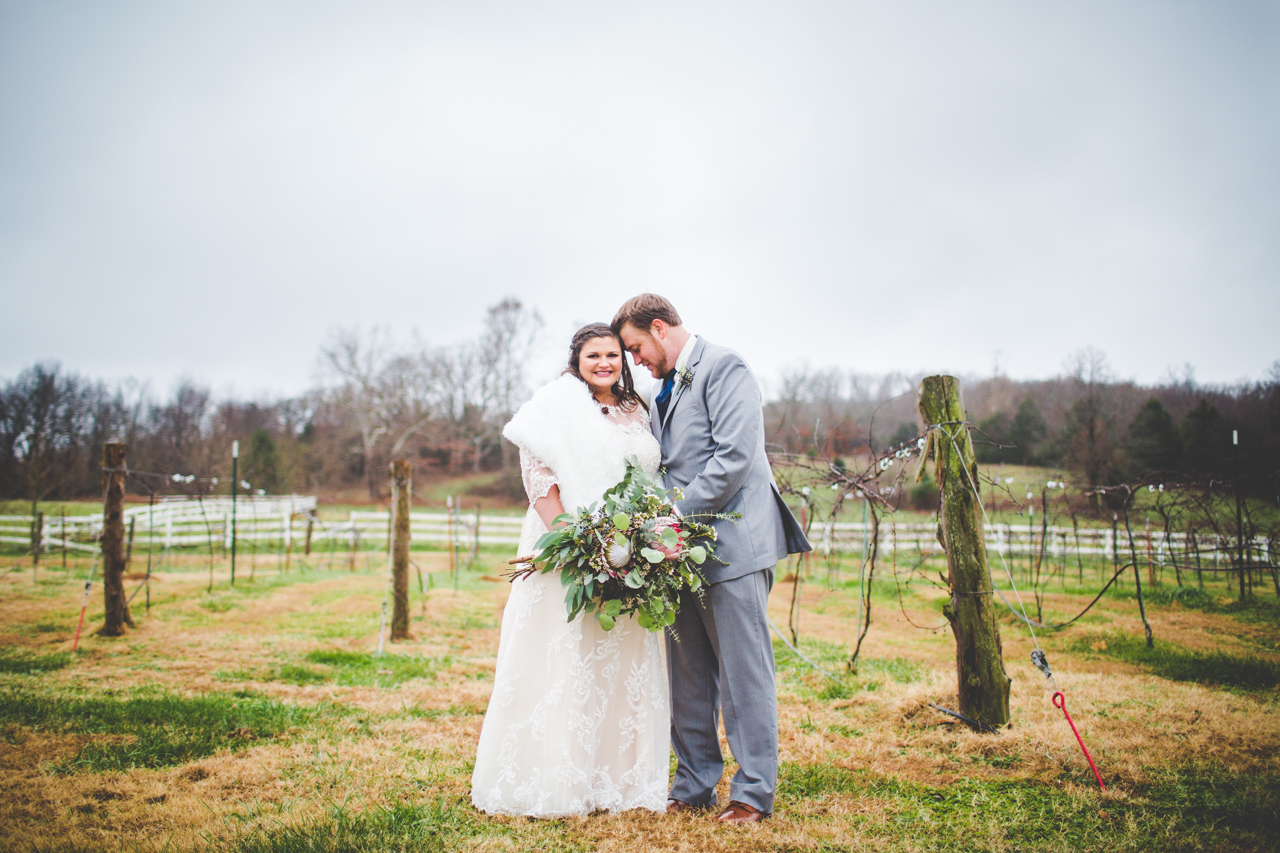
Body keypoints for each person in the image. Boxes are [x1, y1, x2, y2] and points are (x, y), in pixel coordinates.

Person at [614, 294, 811, 824]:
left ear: (659, 328)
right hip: (676, 555)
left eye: (636, 348)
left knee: (745, 676)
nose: (635, 361)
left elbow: (734, 457)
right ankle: (694, 784)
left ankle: (752, 793)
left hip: (733, 547)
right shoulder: (661, 389)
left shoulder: (725, 367)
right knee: (689, 676)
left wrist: (672, 518)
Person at [470, 323, 669, 817]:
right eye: (593, 355)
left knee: (618, 653)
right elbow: (538, 476)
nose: (604, 363)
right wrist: (576, 539)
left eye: (613, 355)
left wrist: (640, 540)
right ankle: (554, 779)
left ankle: (617, 780)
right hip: (568, 546)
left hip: (629, 548)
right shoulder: (556, 405)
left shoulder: (637, 407)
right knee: (568, 655)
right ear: (576, 360)